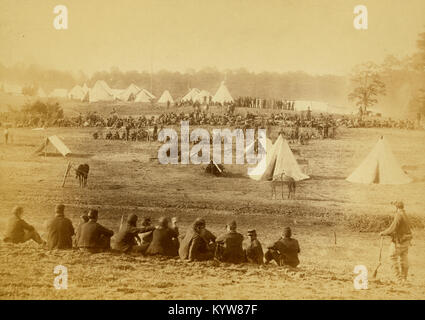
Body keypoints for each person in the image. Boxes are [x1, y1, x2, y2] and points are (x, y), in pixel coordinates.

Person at [380, 201, 413, 283]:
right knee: (403, 258)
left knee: (392, 257)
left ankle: (398, 279)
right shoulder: (405, 215)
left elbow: (393, 228)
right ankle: (404, 279)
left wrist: (383, 233)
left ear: (396, 207)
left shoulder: (399, 215)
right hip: (407, 241)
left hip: (400, 241)